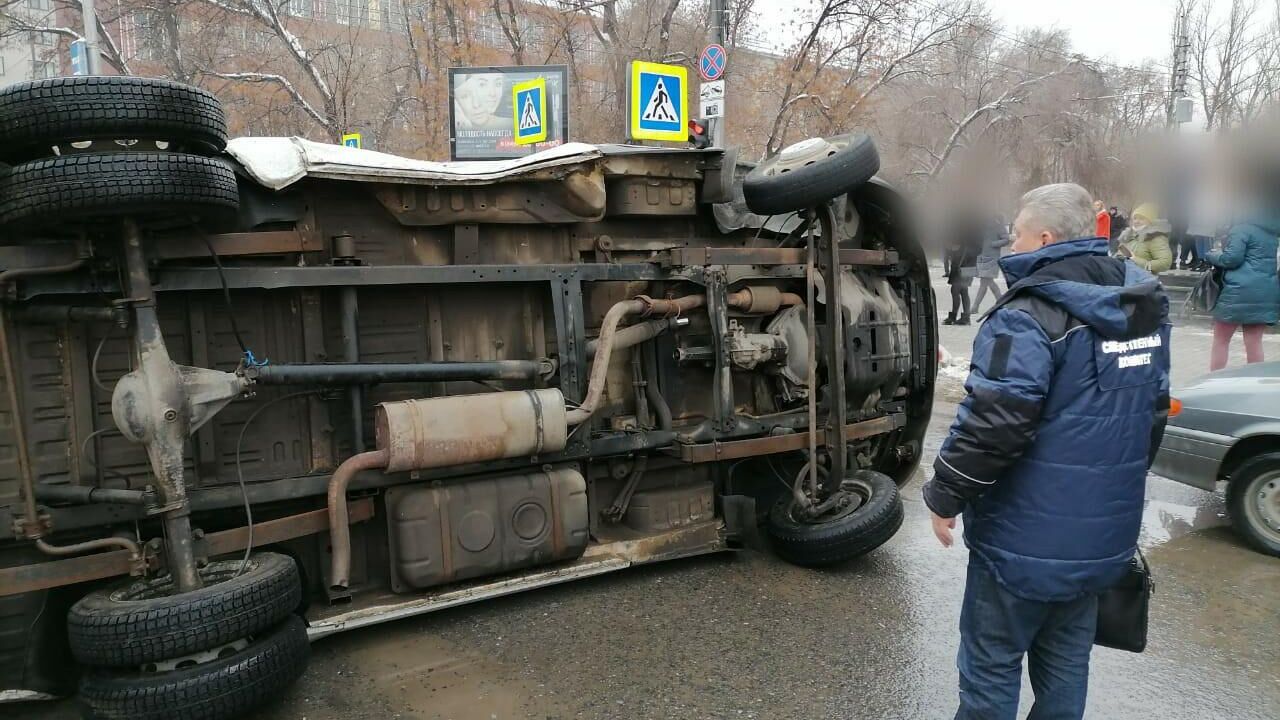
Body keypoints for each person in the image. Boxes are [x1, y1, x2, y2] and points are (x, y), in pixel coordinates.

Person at [924, 183, 1170, 720]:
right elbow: (1152, 414)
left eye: (1015, 234)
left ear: (1045, 237)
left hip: (1020, 543)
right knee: (1066, 666)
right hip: (1099, 539)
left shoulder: (1028, 313)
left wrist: (945, 494)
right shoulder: (1143, 303)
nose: (1009, 245)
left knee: (991, 668)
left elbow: (996, 422)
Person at [1205, 213, 1279, 370]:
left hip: (1237, 292)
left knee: (1221, 340)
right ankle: (1254, 382)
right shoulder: (1272, 233)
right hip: (1265, 292)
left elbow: (1231, 259)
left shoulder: (1241, 229)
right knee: (1254, 342)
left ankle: (1214, 381)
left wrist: (1212, 255)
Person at [1115, 203, 1172, 274]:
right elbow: (1121, 254)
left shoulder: (1156, 237)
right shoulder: (1129, 236)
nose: (1136, 221)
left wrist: (1139, 262)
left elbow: (1165, 263)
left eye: (1141, 218)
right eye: (1135, 218)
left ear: (1150, 221)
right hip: (1126, 278)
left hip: (1144, 280)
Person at [943, 219, 980, 325]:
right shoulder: (968, 231)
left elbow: (957, 246)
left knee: (955, 290)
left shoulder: (965, 232)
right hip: (963, 264)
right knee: (963, 291)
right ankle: (965, 317)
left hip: (962, 265)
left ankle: (954, 316)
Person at [973, 215, 1010, 314]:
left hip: (992, 256)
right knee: (986, 282)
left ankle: (976, 306)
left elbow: (1006, 239)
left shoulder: (997, 225)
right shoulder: (982, 226)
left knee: (986, 281)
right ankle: (1002, 302)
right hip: (983, 256)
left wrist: (993, 244)